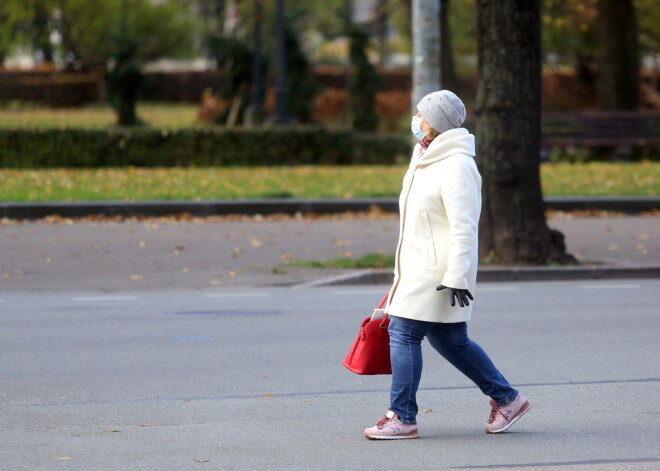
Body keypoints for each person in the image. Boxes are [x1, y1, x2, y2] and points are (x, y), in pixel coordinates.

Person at [364, 90, 531, 440]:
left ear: (434, 122)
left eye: (421, 115)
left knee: (404, 333)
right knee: (451, 340)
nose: (416, 120)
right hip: (417, 266)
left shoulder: (458, 165)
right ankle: (508, 399)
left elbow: (464, 226)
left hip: (438, 271)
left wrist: (456, 276)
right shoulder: (425, 155)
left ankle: (402, 417)